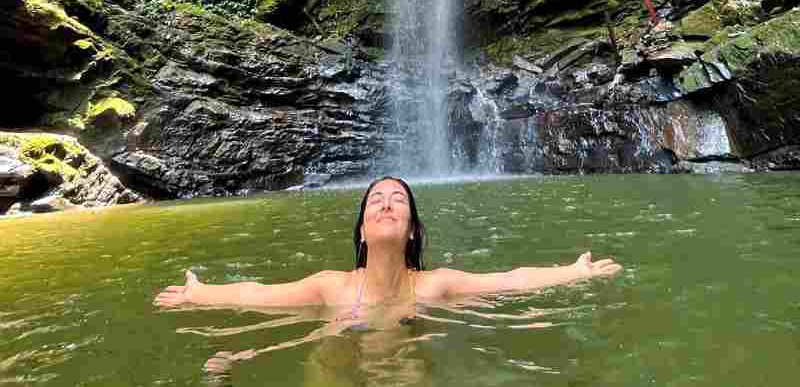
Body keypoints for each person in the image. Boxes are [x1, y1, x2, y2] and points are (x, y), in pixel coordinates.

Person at [154, 176, 622, 311]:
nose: (385, 204)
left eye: (398, 199)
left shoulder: (436, 286)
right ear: (361, 229)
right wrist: (200, 293)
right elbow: (256, 293)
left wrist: (574, 271)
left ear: (414, 229)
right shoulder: (329, 287)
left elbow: (509, 280)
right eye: (375, 199)